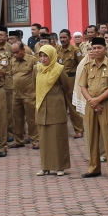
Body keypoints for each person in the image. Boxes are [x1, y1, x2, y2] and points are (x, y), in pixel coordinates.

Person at [78, 38, 108, 180]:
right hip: (91, 105)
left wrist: (98, 100)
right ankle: (94, 168)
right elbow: (83, 86)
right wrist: (92, 101)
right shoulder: (87, 66)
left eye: (99, 48)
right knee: (91, 137)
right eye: (93, 48)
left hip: (107, 104)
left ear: (105, 49)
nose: (95, 51)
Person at [36, 45, 74, 177]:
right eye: (41, 55)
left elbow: (66, 86)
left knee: (58, 137)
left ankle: (60, 166)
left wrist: (56, 96)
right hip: (41, 105)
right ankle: (45, 167)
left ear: (52, 55)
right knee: (44, 138)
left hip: (55, 105)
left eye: (45, 55)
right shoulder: (38, 69)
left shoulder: (59, 69)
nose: (43, 58)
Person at [57, 29, 85, 138]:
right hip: (59, 80)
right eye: (61, 37)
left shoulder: (75, 50)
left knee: (73, 106)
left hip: (71, 79)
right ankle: (61, 130)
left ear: (69, 38)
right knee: (60, 106)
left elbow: (81, 66)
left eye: (65, 37)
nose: (62, 40)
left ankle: (79, 130)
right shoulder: (57, 49)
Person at [10, 42, 38, 148]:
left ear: (23, 50)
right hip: (16, 95)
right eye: (13, 53)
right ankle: (19, 140)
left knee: (31, 119)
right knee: (17, 119)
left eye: (17, 52)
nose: (15, 55)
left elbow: (37, 76)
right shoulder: (12, 61)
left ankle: (35, 140)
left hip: (29, 94)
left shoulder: (32, 60)